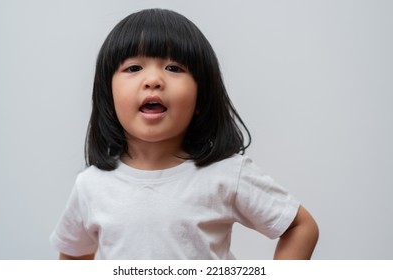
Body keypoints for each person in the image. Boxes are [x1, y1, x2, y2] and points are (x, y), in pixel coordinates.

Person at [50, 8, 318, 260]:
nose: (153, 80)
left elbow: (300, 227)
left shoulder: (226, 175)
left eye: (174, 68)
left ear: (201, 97)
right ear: (108, 95)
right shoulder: (91, 186)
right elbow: (74, 254)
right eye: (133, 68)